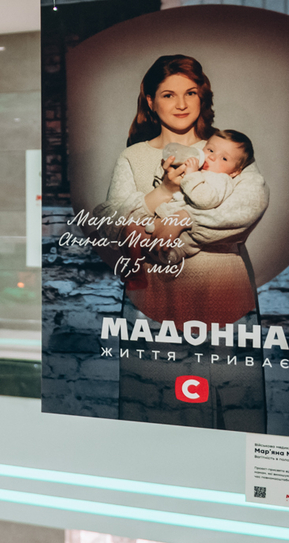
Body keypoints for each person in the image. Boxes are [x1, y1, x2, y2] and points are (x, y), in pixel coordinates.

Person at [94, 54, 270, 432]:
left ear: (201, 96)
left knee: (234, 414)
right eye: (168, 94)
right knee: (152, 414)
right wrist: (169, 191)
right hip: (153, 299)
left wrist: (174, 222)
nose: (181, 104)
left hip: (224, 295)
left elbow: (240, 217)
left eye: (190, 92)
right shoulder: (135, 157)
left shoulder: (225, 149)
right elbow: (109, 222)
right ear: (150, 101)